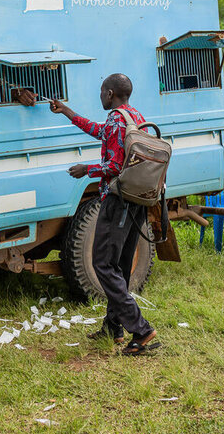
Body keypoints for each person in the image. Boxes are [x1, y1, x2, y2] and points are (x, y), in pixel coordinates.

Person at [50, 73, 158, 355]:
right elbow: (98, 131)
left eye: (101, 91)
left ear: (110, 94)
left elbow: (114, 166)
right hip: (136, 201)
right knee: (120, 266)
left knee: (102, 265)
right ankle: (113, 327)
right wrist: (67, 111)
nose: (100, 96)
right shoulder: (134, 116)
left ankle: (142, 330)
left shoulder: (116, 120)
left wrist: (86, 170)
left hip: (117, 201)